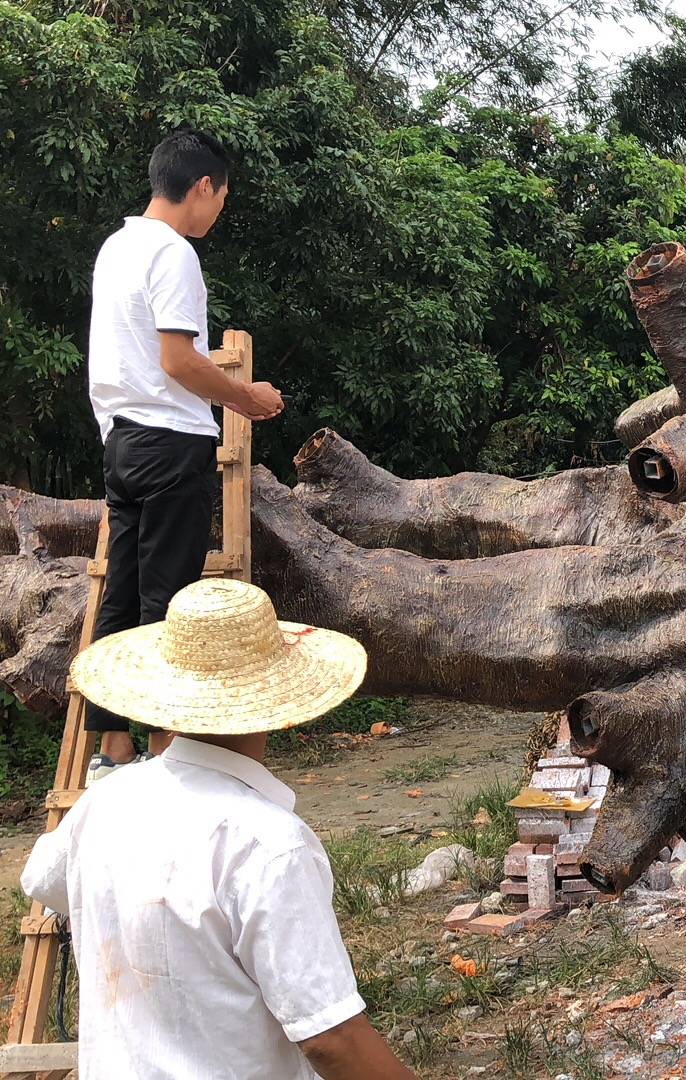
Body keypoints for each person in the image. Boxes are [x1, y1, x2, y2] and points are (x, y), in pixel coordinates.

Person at [21, 578, 414, 1080]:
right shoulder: (267, 843)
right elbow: (331, 1039)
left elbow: (41, 880)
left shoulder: (106, 800)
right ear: (279, 700)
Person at [85, 129, 284, 782]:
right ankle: (170, 756)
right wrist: (245, 397)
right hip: (170, 441)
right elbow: (178, 362)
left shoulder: (116, 249)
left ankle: (110, 754)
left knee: (123, 597)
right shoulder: (172, 254)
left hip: (121, 440)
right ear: (202, 186)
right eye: (220, 199)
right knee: (169, 601)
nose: (216, 213)